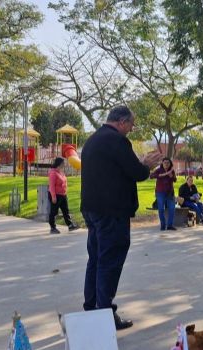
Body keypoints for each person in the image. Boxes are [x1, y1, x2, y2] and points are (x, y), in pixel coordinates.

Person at [80, 105, 160, 331]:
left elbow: (119, 170)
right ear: (122, 122)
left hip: (93, 210)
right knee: (110, 262)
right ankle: (105, 313)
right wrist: (146, 164)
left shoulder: (93, 140)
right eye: (131, 125)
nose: (131, 130)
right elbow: (136, 172)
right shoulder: (117, 141)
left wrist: (139, 163)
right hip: (112, 212)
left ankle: (91, 307)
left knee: (95, 259)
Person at [47, 157, 79, 235]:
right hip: (55, 195)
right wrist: (53, 196)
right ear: (59, 164)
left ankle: (70, 225)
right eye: (63, 163)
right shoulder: (53, 173)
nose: (64, 164)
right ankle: (52, 228)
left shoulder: (60, 172)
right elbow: (51, 186)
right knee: (54, 212)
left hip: (63, 195)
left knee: (66, 211)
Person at [150, 157, 177, 231]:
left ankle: (170, 225)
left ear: (170, 163)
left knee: (172, 209)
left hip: (170, 193)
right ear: (162, 163)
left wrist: (171, 176)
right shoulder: (159, 170)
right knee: (161, 209)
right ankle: (163, 224)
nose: (166, 164)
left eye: (168, 163)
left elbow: (175, 180)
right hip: (160, 193)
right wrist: (164, 174)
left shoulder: (172, 171)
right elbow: (151, 176)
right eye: (165, 162)